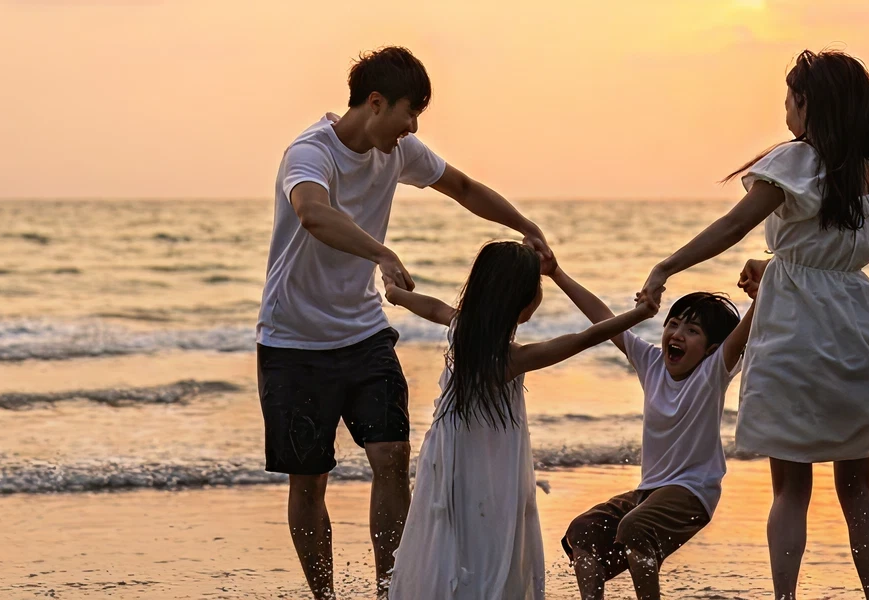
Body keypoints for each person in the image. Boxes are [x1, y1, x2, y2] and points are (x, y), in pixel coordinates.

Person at [638, 50, 869, 599]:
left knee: (791, 488)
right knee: (857, 488)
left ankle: (785, 597)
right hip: (861, 328)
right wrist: (780, 264)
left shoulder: (794, 160)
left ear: (808, 104)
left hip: (795, 334)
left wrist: (668, 266)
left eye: (790, 99)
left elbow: (736, 223)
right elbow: (827, 250)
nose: (785, 111)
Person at [256, 46, 552, 599]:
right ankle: (326, 597)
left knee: (392, 459)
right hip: (293, 341)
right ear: (375, 103)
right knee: (309, 481)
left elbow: (463, 188)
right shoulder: (309, 153)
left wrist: (525, 222)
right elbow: (312, 213)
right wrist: (383, 255)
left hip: (365, 332)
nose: (413, 126)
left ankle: (391, 590)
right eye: (409, 112)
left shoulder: (400, 152)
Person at [385, 241, 659, 599]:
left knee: (453, 531)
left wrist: (394, 294)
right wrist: (641, 313)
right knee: (490, 534)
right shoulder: (510, 359)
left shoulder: (463, 330)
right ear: (523, 300)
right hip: (488, 463)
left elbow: (434, 307)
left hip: (448, 454)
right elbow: (585, 338)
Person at [554, 260, 754, 600]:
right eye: (673, 324)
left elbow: (740, 337)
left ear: (711, 349)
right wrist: (556, 273)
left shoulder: (713, 372)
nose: (676, 334)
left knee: (635, 527)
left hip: (693, 491)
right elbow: (603, 318)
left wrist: (762, 291)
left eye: (692, 331)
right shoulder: (651, 363)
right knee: (582, 530)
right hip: (648, 492)